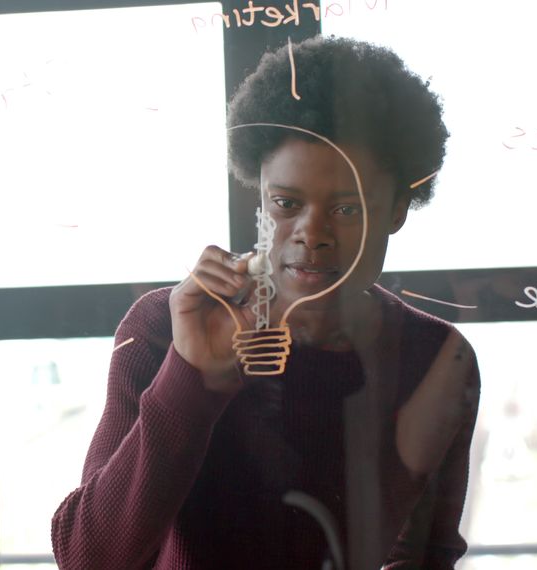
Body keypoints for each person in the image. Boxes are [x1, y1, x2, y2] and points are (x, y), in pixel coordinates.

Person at [51, 36, 480, 569]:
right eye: (286, 203)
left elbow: (425, 554)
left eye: (347, 209)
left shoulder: (436, 356)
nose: (310, 233)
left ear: (397, 209)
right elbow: (87, 559)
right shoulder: (166, 327)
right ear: (259, 196)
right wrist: (190, 375)